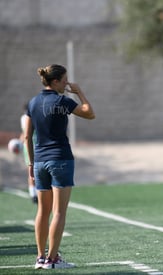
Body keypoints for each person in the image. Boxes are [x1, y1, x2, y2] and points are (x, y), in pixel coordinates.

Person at [24, 64, 95, 269]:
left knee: (42, 212)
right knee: (59, 212)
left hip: (39, 162)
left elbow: (27, 136)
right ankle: (53, 259)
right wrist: (79, 91)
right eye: (64, 80)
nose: (67, 83)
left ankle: (40, 258)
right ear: (55, 82)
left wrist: (31, 162)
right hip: (60, 160)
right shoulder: (62, 100)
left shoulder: (33, 102)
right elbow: (90, 113)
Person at [20, 103, 38, 203]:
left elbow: (24, 134)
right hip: (30, 146)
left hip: (36, 146)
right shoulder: (25, 118)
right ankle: (33, 194)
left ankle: (35, 193)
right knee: (31, 171)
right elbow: (26, 133)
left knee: (35, 171)